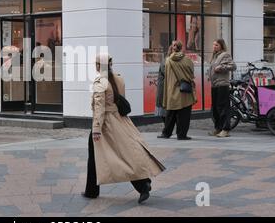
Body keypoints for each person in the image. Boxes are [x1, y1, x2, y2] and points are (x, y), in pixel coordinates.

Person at [83, 53, 166, 204]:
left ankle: (92, 191)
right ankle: (142, 184)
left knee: (96, 156)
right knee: (126, 154)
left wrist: (96, 129)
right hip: (120, 121)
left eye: (95, 63)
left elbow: (99, 108)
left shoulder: (99, 82)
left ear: (97, 65)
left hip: (106, 124)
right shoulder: (118, 78)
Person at [158, 40, 197, 140]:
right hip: (184, 91)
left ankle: (166, 133)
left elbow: (165, 75)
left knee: (170, 114)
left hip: (172, 90)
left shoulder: (168, 61)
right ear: (181, 48)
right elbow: (191, 74)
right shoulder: (187, 60)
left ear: (172, 48)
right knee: (184, 114)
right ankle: (182, 134)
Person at [208, 39, 237, 138]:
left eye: (216, 45)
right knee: (215, 108)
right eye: (213, 45)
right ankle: (218, 128)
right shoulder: (215, 56)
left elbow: (233, 66)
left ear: (221, 45)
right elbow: (212, 68)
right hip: (214, 85)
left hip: (222, 85)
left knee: (223, 107)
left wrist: (221, 68)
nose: (214, 46)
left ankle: (225, 129)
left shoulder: (225, 55)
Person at [155, 46, 173, 132]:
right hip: (164, 88)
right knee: (163, 109)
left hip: (170, 88)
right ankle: (167, 128)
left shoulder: (169, 60)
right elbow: (166, 73)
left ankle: (168, 128)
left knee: (168, 110)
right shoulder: (166, 61)